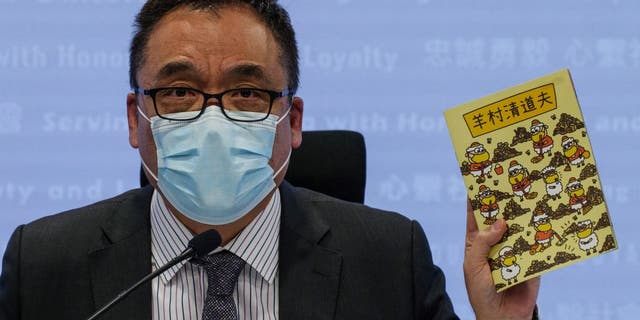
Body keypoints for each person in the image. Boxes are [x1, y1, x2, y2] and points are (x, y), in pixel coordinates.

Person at [0, 0, 540, 319]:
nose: (212, 119)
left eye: (247, 93)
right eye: (180, 92)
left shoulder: (391, 261)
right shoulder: (45, 266)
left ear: (294, 120)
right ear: (135, 118)